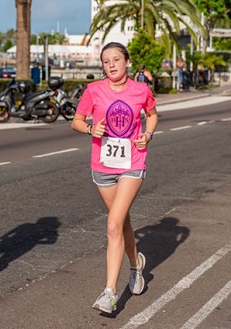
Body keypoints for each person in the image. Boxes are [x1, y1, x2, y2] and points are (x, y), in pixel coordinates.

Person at [71, 42, 158, 314]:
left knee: (112, 225)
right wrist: (90, 129)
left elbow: (152, 115)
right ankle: (136, 265)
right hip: (103, 165)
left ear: (127, 62)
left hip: (132, 162)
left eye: (116, 59)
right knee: (121, 222)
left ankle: (109, 292)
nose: (111, 64)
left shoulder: (141, 90)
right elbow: (76, 121)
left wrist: (147, 134)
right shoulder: (93, 90)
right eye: (106, 61)